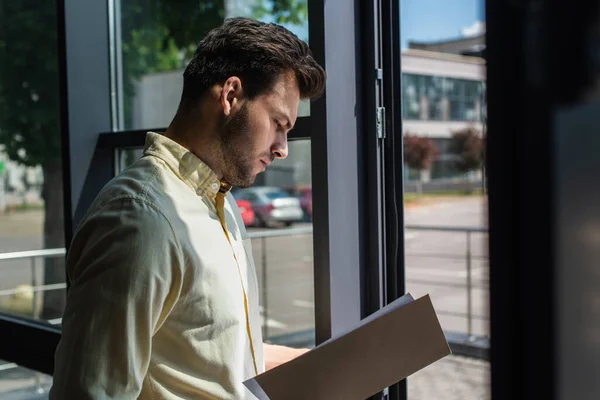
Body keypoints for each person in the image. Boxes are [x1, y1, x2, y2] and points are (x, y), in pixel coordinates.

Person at [50, 17, 325, 399]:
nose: (282, 148)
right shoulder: (140, 218)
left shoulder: (221, 204)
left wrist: (329, 367)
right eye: (278, 123)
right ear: (230, 95)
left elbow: (216, 360)